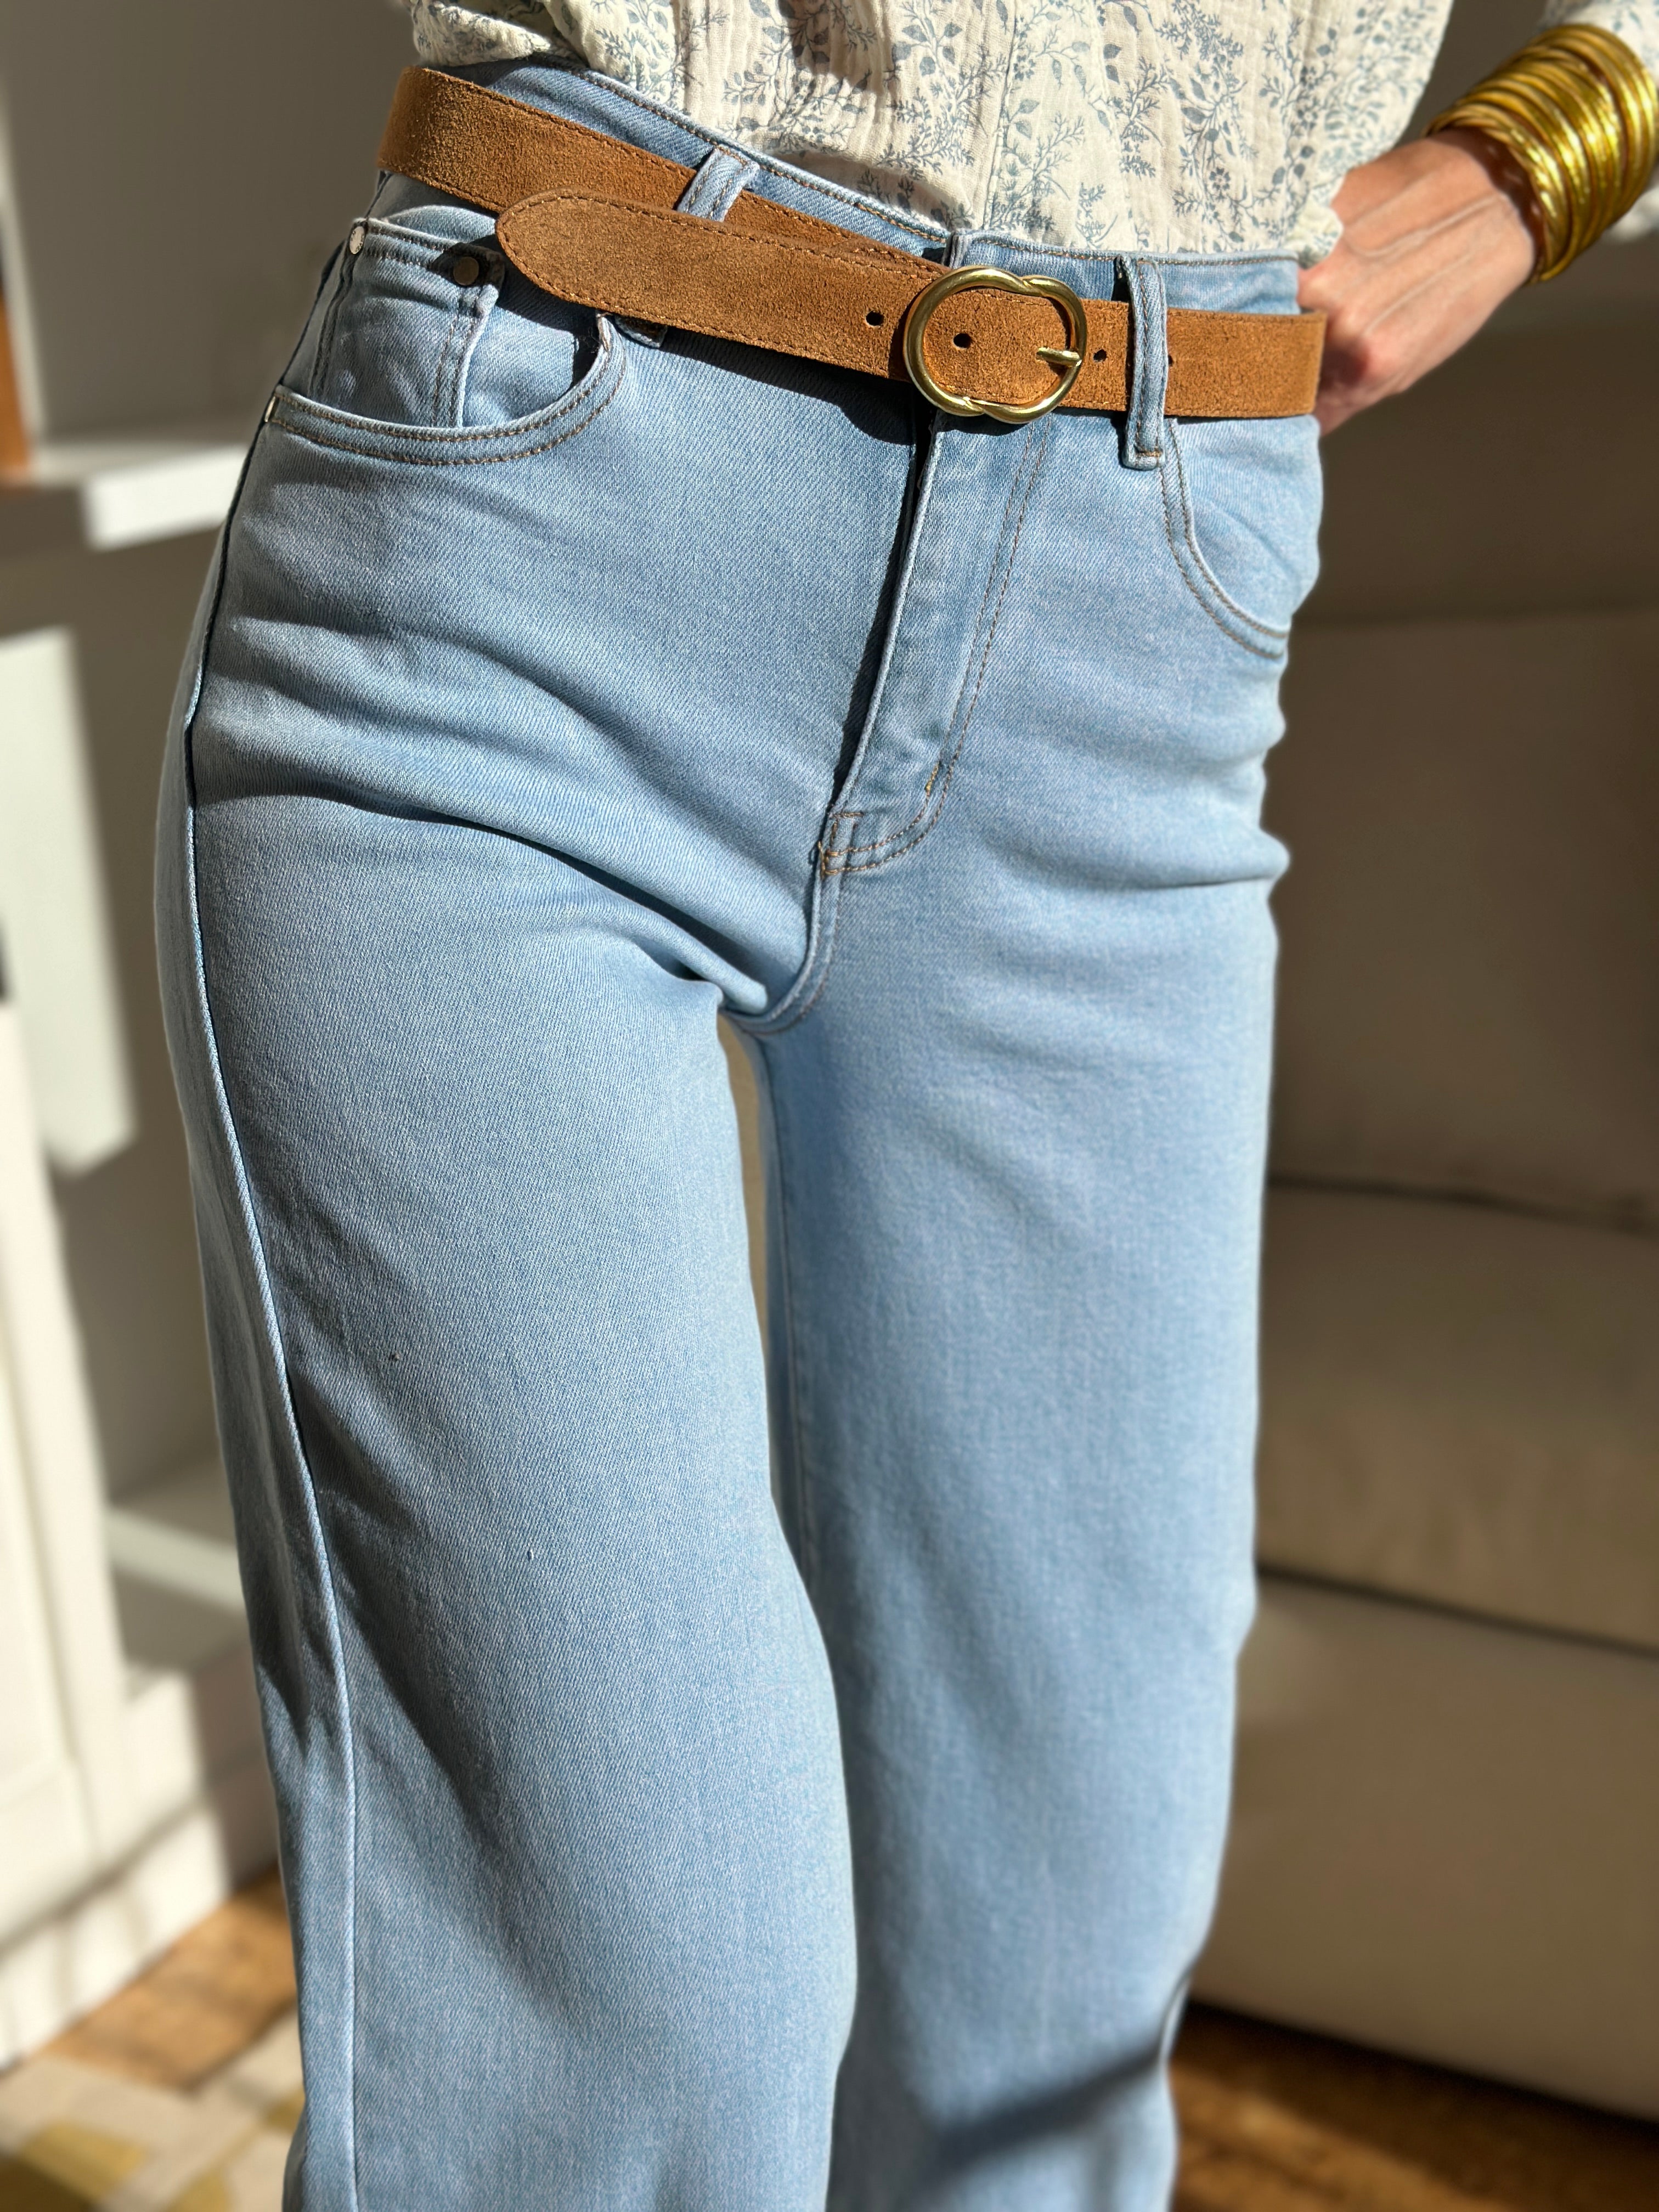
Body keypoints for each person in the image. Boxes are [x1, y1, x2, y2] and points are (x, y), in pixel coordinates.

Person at [154, 7, 1656, 2208]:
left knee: (1042, 2022)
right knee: (638, 2023)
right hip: (534, 479)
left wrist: (1561, 140)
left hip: (1147, 597)